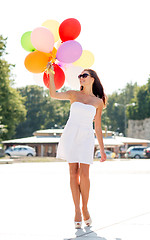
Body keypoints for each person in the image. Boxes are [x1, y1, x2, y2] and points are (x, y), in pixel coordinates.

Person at [47, 63, 107, 229]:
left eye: (84, 75)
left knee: (84, 174)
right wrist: (51, 74)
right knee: (73, 173)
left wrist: (102, 150)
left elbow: (98, 127)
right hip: (70, 134)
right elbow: (53, 94)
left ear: (92, 79)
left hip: (86, 137)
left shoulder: (98, 102)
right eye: (80, 76)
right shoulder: (73, 94)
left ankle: (85, 208)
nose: (81, 77)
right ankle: (77, 211)